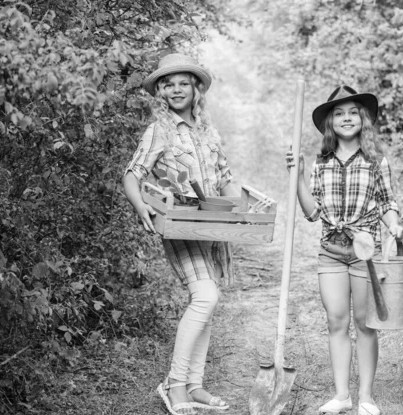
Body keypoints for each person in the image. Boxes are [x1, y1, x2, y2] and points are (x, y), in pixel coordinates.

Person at [123, 53, 238, 415]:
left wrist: (243, 205)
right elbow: (132, 174)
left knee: (208, 300)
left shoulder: (208, 130)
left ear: (195, 89)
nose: (176, 89)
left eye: (183, 82)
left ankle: (195, 385)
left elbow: (225, 177)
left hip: (211, 228)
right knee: (205, 296)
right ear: (160, 91)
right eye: (168, 84)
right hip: (179, 225)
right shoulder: (160, 130)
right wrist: (142, 206)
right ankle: (175, 386)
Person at [285, 85, 403, 415]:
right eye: (339, 113)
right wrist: (296, 179)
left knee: (365, 324)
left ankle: (365, 396)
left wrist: (393, 224)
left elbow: (386, 202)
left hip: (365, 253)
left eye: (353, 112)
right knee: (336, 321)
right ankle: (341, 396)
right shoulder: (321, 162)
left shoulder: (376, 160)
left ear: (363, 119)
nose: (346, 117)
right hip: (331, 251)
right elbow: (312, 213)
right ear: (330, 123)